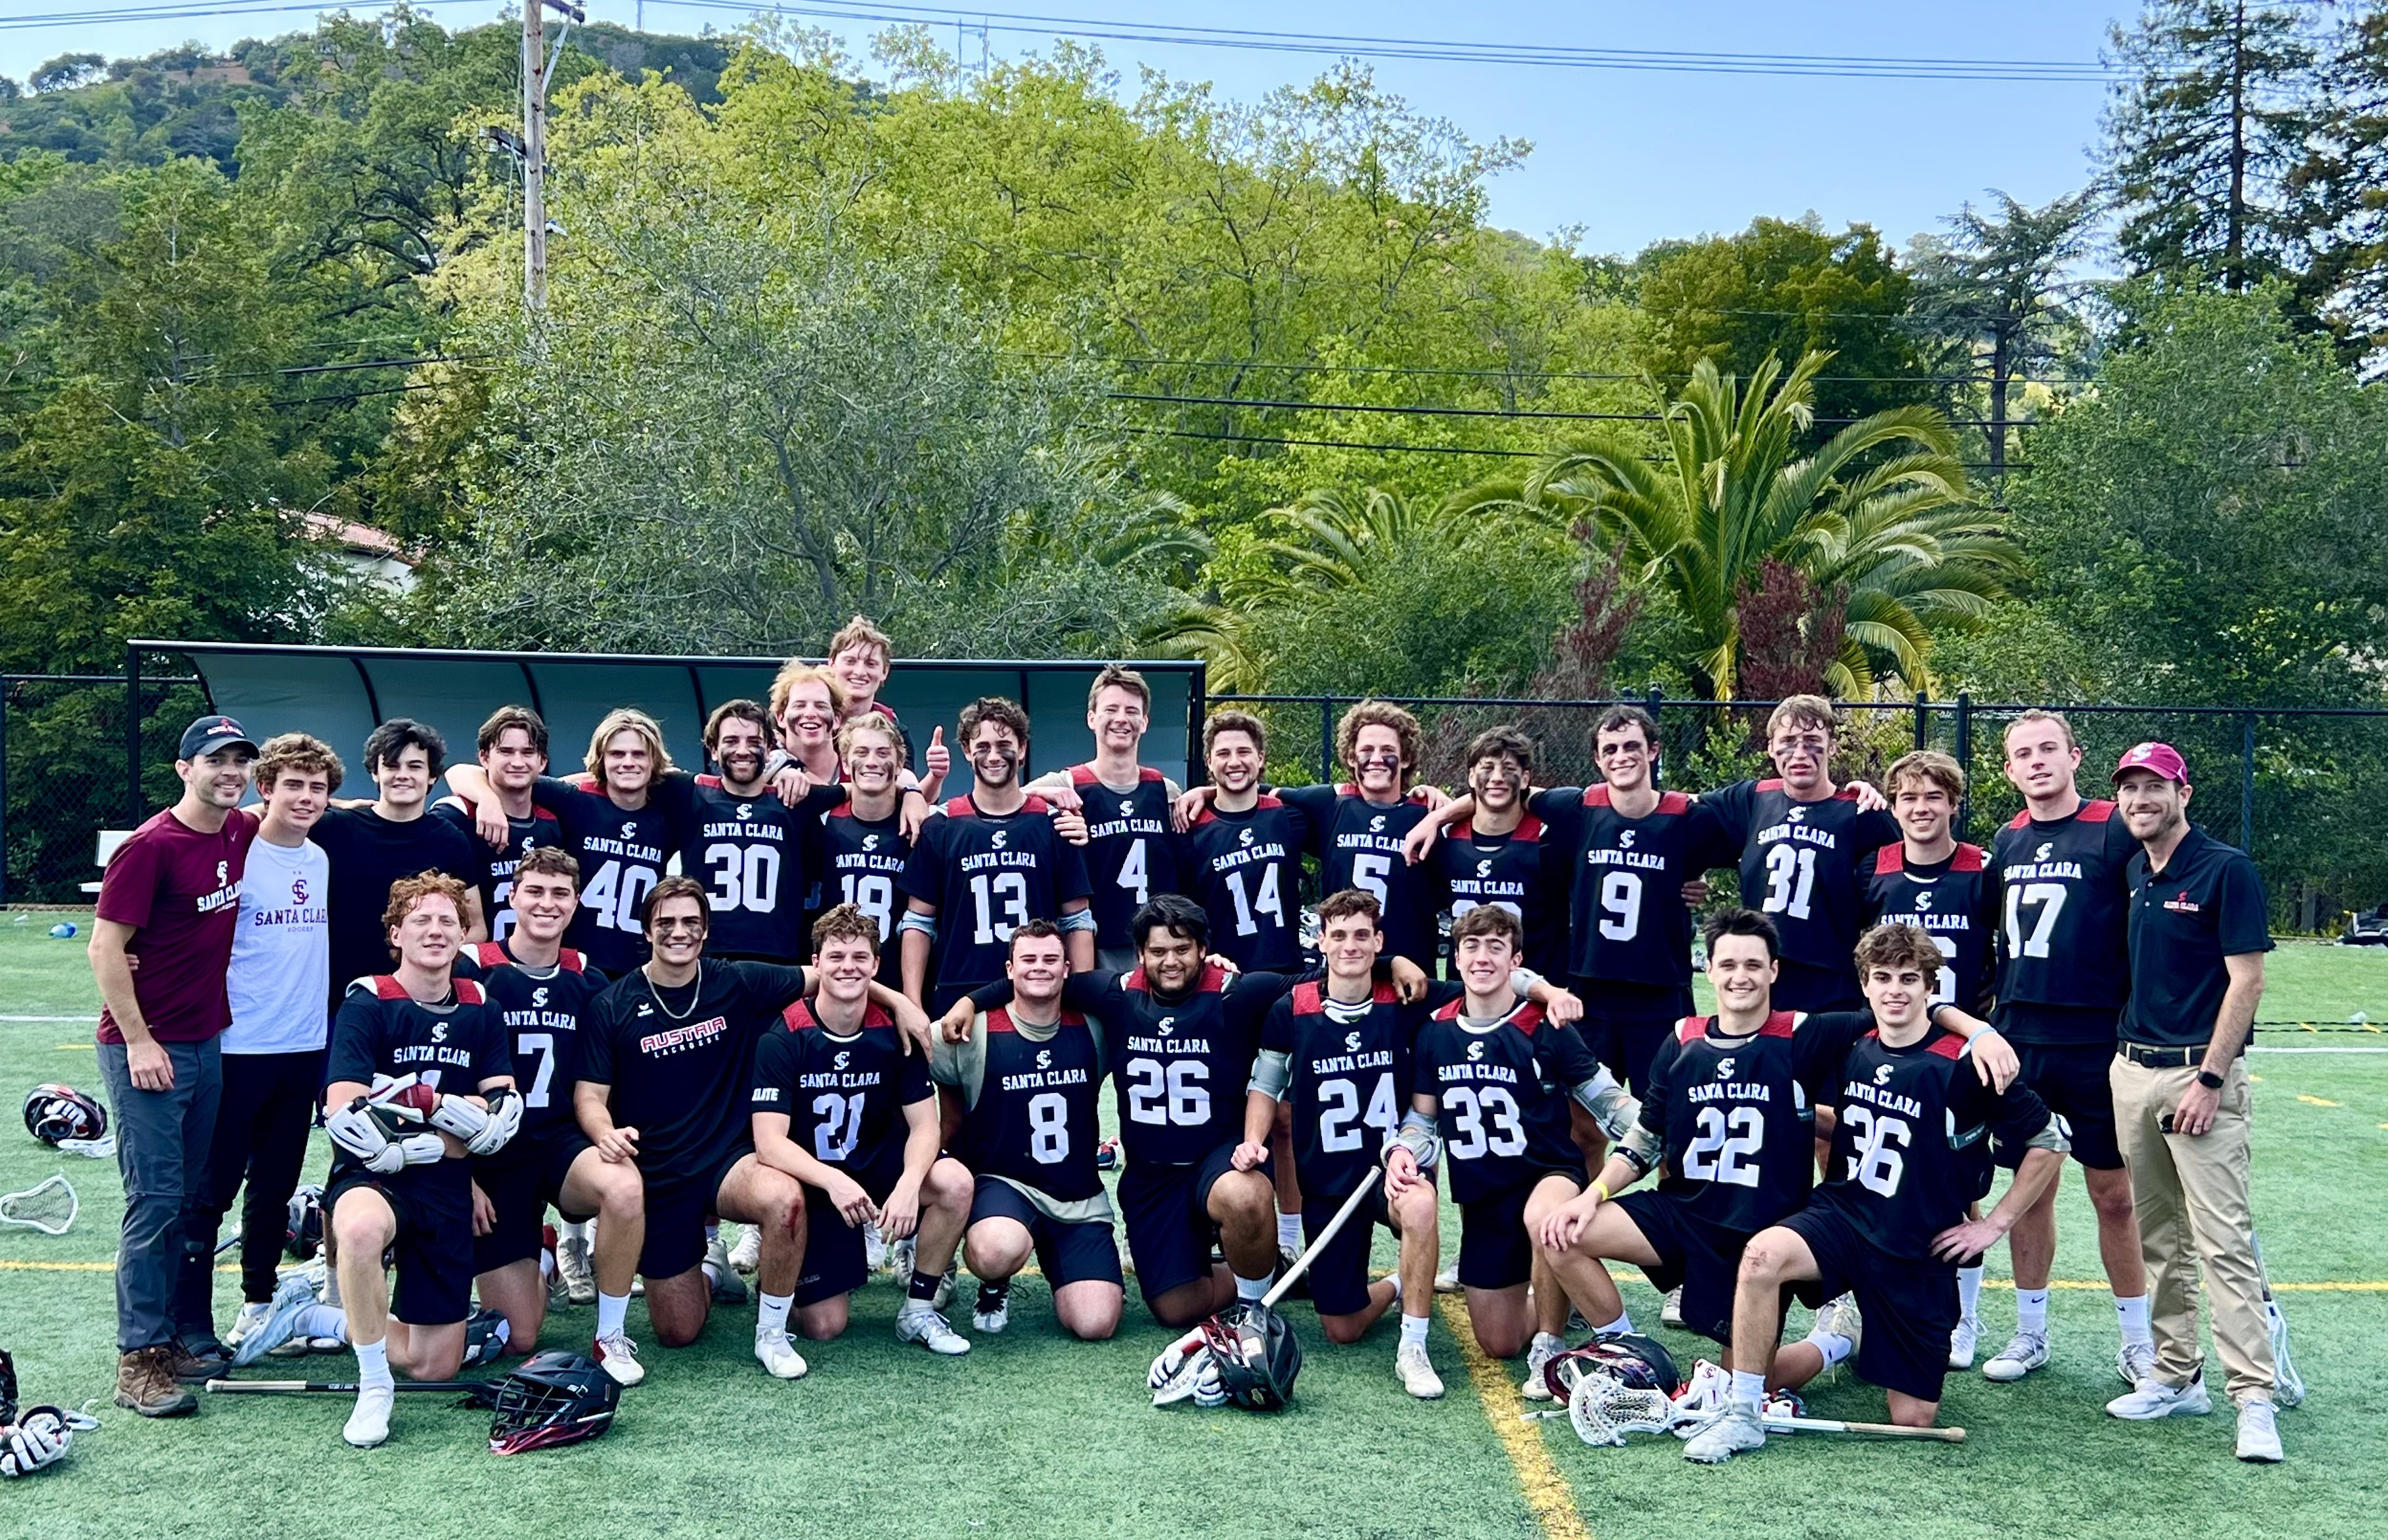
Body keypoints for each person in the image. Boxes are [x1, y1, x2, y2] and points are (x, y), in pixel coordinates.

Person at [1537, 910, 2018, 1399]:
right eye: (1727, 964)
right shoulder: (1682, 1037)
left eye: (1752, 964)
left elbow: (1901, 1006)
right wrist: (1591, 1194)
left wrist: (1978, 1030)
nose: (1739, 975)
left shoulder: (1803, 1033)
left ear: (1773, 971)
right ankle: (1630, 1348)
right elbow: (1645, 1138)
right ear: (1708, 969)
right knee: (1560, 1233)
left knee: (1741, 1385)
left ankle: (1833, 1340)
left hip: (1757, 1226)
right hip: (1682, 1212)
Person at [1681, 922, 2065, 1465]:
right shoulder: (1852, 1043)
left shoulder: (1962, 1061)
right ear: (1864, 983)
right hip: (1842, 1216)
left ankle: (1839, 1338)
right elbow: (1850, 1119)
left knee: (1912, 1417)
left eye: (1909, 978)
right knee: (1762, 1259)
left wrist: (1992, 1223)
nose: (1894, 990)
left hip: (1914, 1244)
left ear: (1930, 987)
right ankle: (1743, 1415)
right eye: (1881, 977)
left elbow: (2050, 1140)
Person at [576, 878, 925, 1378]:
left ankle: (772, 1334)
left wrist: (899, 1002)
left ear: (705, 930)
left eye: (691, 922)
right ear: (646, 929)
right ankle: (710, 1267)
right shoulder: (613, 1004)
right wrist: (603, 1130)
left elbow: (833, 971)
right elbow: (589, 1096)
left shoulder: (734, 980)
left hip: (729, 1160)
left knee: (785, 1198)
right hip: (660, 1171)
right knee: (678, 1331)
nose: (679, 932)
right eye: (666, 923)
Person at [944, 893, 1300, 1329]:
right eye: (1158, 951)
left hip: (1217, 1157)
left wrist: (1391, 963)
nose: (1170, 961)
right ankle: (1270, 1269)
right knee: (1177, 1308)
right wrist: (970, 1001)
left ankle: (1253, 1307)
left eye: (1182, 948)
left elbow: (1320, 983)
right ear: (1139, 954)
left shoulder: (1237, 992)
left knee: (1243, 1194)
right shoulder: (1116, 994)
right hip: (1153, 1177)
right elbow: (1039, 979)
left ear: (1203, 950)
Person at [2105, 742, 2282, 1463]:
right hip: (2132, 1072)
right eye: (2128, 788)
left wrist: (2211, 1079)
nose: (2140, 799)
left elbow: (2247, 982)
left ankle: (2254, 1398)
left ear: (2183, 792)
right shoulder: (2132, 871)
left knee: (2222, 1244)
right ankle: (2175, 1374)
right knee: (2159, 1240)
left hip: (2196, 1078)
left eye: (2153, 786)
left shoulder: (2225, 868)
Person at [91, 714, 260, 1416]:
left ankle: (177, 1337)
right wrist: (139, 1041)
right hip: (149, 1048)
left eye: (240, 761)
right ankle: (140, 1358)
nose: (231, 771)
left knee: (192, 1200)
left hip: (205, 1039)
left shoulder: (236, 829)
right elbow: (105, 949)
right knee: (155, 1202)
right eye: (216, 760)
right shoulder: (150, 846)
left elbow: (315, 802)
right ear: (183, 767)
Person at [1979, 709, 2153, 1388]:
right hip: (2023, 1039)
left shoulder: (2113, 826)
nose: (2037, 761)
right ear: (2009, 768)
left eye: (2048, 748)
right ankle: (2029, 1332)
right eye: (2023, 753)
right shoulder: (2008, 836)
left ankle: (2136, 1341)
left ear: (2075, 755)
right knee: (2031, 1193)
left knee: (2112, 1194)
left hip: (2094, 1037)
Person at [317, 873, 520, 1448]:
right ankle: (373, 1383)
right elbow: (346, 1111)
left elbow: (501, 1112)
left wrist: (417, 1100)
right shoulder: (370, 998)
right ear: (396, 932)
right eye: (421, 920)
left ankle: (325, 1320)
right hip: (375, 1171)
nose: (435, 930)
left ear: (463, 933)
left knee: (436, 1366)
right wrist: (445, 1126)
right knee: (359, 1228)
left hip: (445, 1182)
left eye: (447, 921)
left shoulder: (480, 1005)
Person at [1398, 903, 1629, 1396]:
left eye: (1495, 947)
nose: (1482, 958)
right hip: (1483, 1198)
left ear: (1515, 960)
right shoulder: (1435, 1031)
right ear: (1456, 958)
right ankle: (1563, 1294)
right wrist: (1402, 1151)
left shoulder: (1544, 1025)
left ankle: (1550, 1340)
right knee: (1498, 1341)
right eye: (1472, 946)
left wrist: (1657, 1130)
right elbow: (1422, 1119)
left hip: (1547, 1172)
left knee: (1541, 1217)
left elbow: (1607, 1100)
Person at [453, 848, 649, 1384]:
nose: (547, 902)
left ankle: (609, 1333)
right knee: (520, 1337)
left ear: (576, 901)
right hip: (493, 1152)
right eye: (534, 891)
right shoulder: (472, 968)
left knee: (624, 1188)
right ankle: (541, 1254)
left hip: (561, 1141)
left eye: (560, 892)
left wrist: (607, 1132)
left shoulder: (586, 976)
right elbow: (445, 1074)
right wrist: (462, 1175)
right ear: (512, 896)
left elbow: (607, 1071)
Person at [1241, 889, 1445, 1398]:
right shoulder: (1291, 1007)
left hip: (1390, 1167)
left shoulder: (1405, 1000)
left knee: (1420, 1203)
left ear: (1378, 940)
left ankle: (1412, 1346)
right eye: (1339, 935)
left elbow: (1492, 987)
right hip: (1327, 1181)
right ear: (1320, 942)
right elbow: (1265, 1085)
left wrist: (1545, 991)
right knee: (1342, 1328)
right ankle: (1401, 1283)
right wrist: (1252, 1141)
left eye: (1361, 935)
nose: (1350, 945)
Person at [749, 904, 974, 1354]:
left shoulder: (894, 1030)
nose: (847, 967)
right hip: (817, 1181)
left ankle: (919, 1309)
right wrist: (833, 1182)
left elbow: (926, 1125)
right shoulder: (786, 1032)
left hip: (875, 1160)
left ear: (875, 965)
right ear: (815, 963)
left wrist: (910, 1184)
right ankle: (787, 1269)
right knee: (825, 1325)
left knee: (954, 1182)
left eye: (858, 957)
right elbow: (769, 1141)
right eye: (835, 956)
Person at [179, 734, 338, 1364]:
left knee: (275, 1185)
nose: (305, 797)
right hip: (239, 1045)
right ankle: (185, 1318)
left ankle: (258, 1304)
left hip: (303, 1046)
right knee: (212, 1188)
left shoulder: (322, 858)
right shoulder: (236, 848)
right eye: (291, 784)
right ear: (264, 787)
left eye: (317, 787)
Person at [1863, 748, 2001, 1365]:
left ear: (1953, 802)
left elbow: (2006, 945)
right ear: (1893, 807)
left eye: (1933, 797)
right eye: (1908, 798)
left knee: (1961, 1179)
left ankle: (1964, 1315)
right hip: (1893, 1040)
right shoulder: (1875, 870)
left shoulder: (1982, 869)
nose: (1921, 808)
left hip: (1958, 1043)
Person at [931, 922, 1124, 1342]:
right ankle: (995, 1285)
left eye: (1051, 960)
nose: (1040, 968)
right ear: (1009, 970)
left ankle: (1063, 1259)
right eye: (1029, 960)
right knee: (995, 1250)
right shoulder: (975, 1028)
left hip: (1078, 1198)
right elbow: (905, 1050)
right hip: (1006, 1186)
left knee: (1096, 1324)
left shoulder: (1095, 1027)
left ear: (1068, 969)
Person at [1177, 709, 1319, 1273]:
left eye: (1244, 753)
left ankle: (1288, 1237)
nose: (1234, 763)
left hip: (1284, 976)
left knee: (1282, 1118)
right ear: (1208, 762)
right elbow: (1183, 909)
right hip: (1225, 985)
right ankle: (1222, 1223)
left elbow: (1348, 799)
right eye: (1222, 754)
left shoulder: (1287, 815)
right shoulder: (1193, 825)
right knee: (1222, 1107)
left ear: (1261, 759)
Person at [448, 709, 691, 976]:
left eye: (639, 754)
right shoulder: (575, 800)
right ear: (601, 758)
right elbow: (465, 772)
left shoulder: (669, 811)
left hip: (638, 967)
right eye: (617, 754)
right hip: (576, 967)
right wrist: (486, 798)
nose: (628, 762)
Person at [897, 696, 1096, 1014]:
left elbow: (1078, 921)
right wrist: (912, 1003)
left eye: (1004, 744)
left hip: (1036, 994)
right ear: (966, 750)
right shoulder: (942, 827)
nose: (993, 756)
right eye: (982, 745)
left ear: (1022, 749)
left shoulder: (1054, 824)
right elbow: (918, 923)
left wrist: (1082, 1000)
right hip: (958, 990)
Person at [1698, 695, 1898, 1011]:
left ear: (1832, 746)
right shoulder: (1752, 799)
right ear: (1771, 748)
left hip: (1831, 978)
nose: (1800, 753)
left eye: (1813, 741)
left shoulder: (1860, 813)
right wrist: (1686, 878)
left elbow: (1906, 880)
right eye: (1789, 741)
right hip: (1761, 973)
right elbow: (1680, 820)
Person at [313, 719, 486, 1007]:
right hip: (341, 1002)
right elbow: (271, 816)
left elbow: (476, 927)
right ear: (374, 773)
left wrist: (436, 972)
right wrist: (337, 804)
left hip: (420, 1007)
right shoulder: (335, 829)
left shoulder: (449, 839)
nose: (402, 775)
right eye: (392, 766)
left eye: (415, 766)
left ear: (432, 776)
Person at [1027, 666, 1186, 971]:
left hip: (1158, 944)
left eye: (1131, 711)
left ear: (1145, 722)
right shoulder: (1069, 783)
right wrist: (1049, 798)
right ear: (1091, 718)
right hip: (1095, 944)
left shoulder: (1165, 790)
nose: (1121, 719)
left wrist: (1203, 794)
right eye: (1111, 709)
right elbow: (1006, 802)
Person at [685, 699, 849, 964]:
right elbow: (626, 775)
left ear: (770, 749)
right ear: (714, 750)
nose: (743, 750)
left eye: (754, 741)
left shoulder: (791, 800)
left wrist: (910, 792)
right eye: (731, 741)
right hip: (706, 956)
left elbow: (863, 787)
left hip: (776, 959)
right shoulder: (692, 794)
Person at [1417, 726, 1571, 978]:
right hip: (1469, 995)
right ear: (1471, 776)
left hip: (1537, 996)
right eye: (1487, 768)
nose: (1497, 777)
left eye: (1509, 770)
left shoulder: (1550, 840)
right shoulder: (1444, 841)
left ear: (1525, 779)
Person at [432, 707, 560, 944]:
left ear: (543, 762)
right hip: (472, 966)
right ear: (484, 757)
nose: (517, 762)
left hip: (531, 968)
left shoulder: (552, 823)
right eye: (506, 751)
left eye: (528, 752)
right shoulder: (455, 818)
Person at [810, 715, 916, 980]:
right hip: (837, 973)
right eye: (862, 752)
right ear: (846, 761)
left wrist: (914, 794)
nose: (872, 762)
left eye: (883, 753)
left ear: (900, 764)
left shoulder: (920, 826)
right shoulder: (824, 823)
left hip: (895, 975)